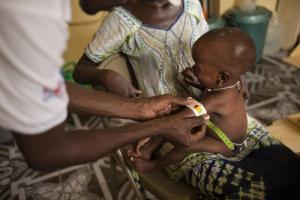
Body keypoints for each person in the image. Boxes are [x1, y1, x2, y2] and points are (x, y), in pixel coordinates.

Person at [0, 0, 207, 171]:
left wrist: (141, 109)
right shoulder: (26, 11)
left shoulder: (191, 7)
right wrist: (157, 126)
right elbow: (46, 150)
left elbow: (42, 90)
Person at [131, 28, 300, 199]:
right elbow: (211, 91)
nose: (193, 68)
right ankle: (151, 151)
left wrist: (150, 133)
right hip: (226, 133)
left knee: (185, 144)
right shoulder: (234, 85)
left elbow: (180, 119)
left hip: (225, 144)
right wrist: (200, 83)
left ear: (222, 77)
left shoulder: (217, 99)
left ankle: (155, 165)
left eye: (198, 68)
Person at [73, 0, 209, 99]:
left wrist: (204, 83)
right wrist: (106, 76)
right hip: (162, 116)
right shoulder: (121, 21)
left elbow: (208, 54)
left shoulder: (191, 5)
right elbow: (79, 71)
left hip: (206, 100)